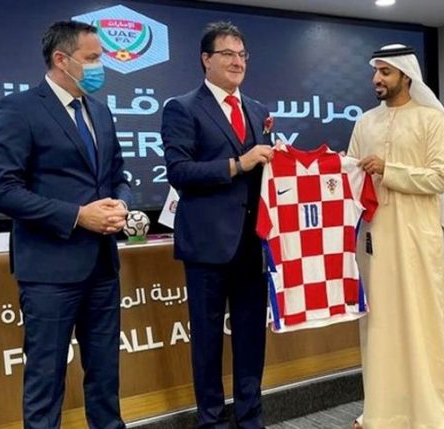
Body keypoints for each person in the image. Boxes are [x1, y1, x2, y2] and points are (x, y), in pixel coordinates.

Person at [0, 21, 130, 428]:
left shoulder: (100, 111)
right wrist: (79, 215)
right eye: (93, 58)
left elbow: (117, 174)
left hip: (102, 266)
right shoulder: (19, 108)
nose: (100, 66)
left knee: (105, 377)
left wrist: (120, 203)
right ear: (61, 60)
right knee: (45, 380)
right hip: (49, 272)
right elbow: (3, 191)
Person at [161, 22, 273, 429]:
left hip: (253, 243)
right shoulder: (182, 108)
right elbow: (179, 171)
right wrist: (237, 164)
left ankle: (250, 418)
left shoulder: (258, 110)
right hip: (207, 245)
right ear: (206, 59)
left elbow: (267, 174)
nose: (237, 61)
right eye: (228, 54)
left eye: (242, 54)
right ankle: (211, 421)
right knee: (208, 342)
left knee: (251, 338)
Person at [348, 44, 444, 429]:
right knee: (380, 324)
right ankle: (381, 413)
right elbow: (349, 172)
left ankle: (428, 414)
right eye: (375, 71)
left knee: (422, 321)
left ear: (406, 76)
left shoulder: (432, 120)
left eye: (385, 72)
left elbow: (439, 177)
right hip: (375, 237)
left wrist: (389, 169)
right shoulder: (365, 123)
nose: (377, 79)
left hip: (417, 235)